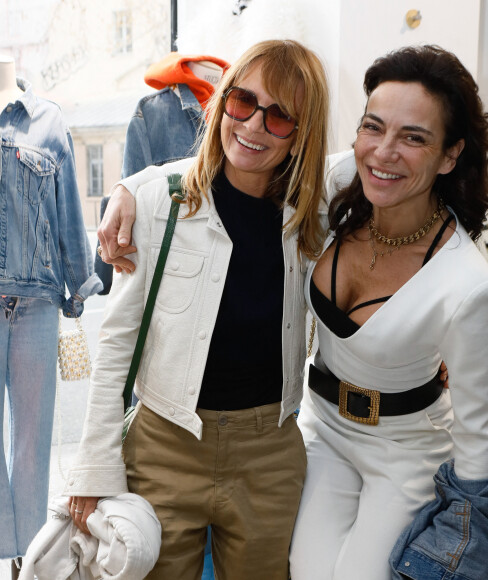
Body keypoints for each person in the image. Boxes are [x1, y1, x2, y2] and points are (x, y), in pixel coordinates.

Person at [64, 39, 329, 580]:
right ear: (222, 101)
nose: (254, 125)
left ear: (302, 133)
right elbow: (116, 343)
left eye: (280, 116)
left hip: (269, 452)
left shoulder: (311, 218)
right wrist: (93, 468)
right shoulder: (161, 202)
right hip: (164, 445)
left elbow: (362, 168)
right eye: (243, 102)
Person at [289, 45, 488, 579]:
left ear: (449, 155)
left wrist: (468, 520)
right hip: (324, 429)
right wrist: (136, 188)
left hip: (406, 450)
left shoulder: (466, 282)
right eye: (373, 127)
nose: (383, 152)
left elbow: (478, 424)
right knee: (305, 570)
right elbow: (250, 164)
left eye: (413, 137)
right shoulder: (341, 182)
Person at [0, 55, 101, 579]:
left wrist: (77, 284)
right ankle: (7, 544)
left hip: (37, 301)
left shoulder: (48, 121)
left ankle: (28, 555)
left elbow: (67, 211)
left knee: (33, 439)